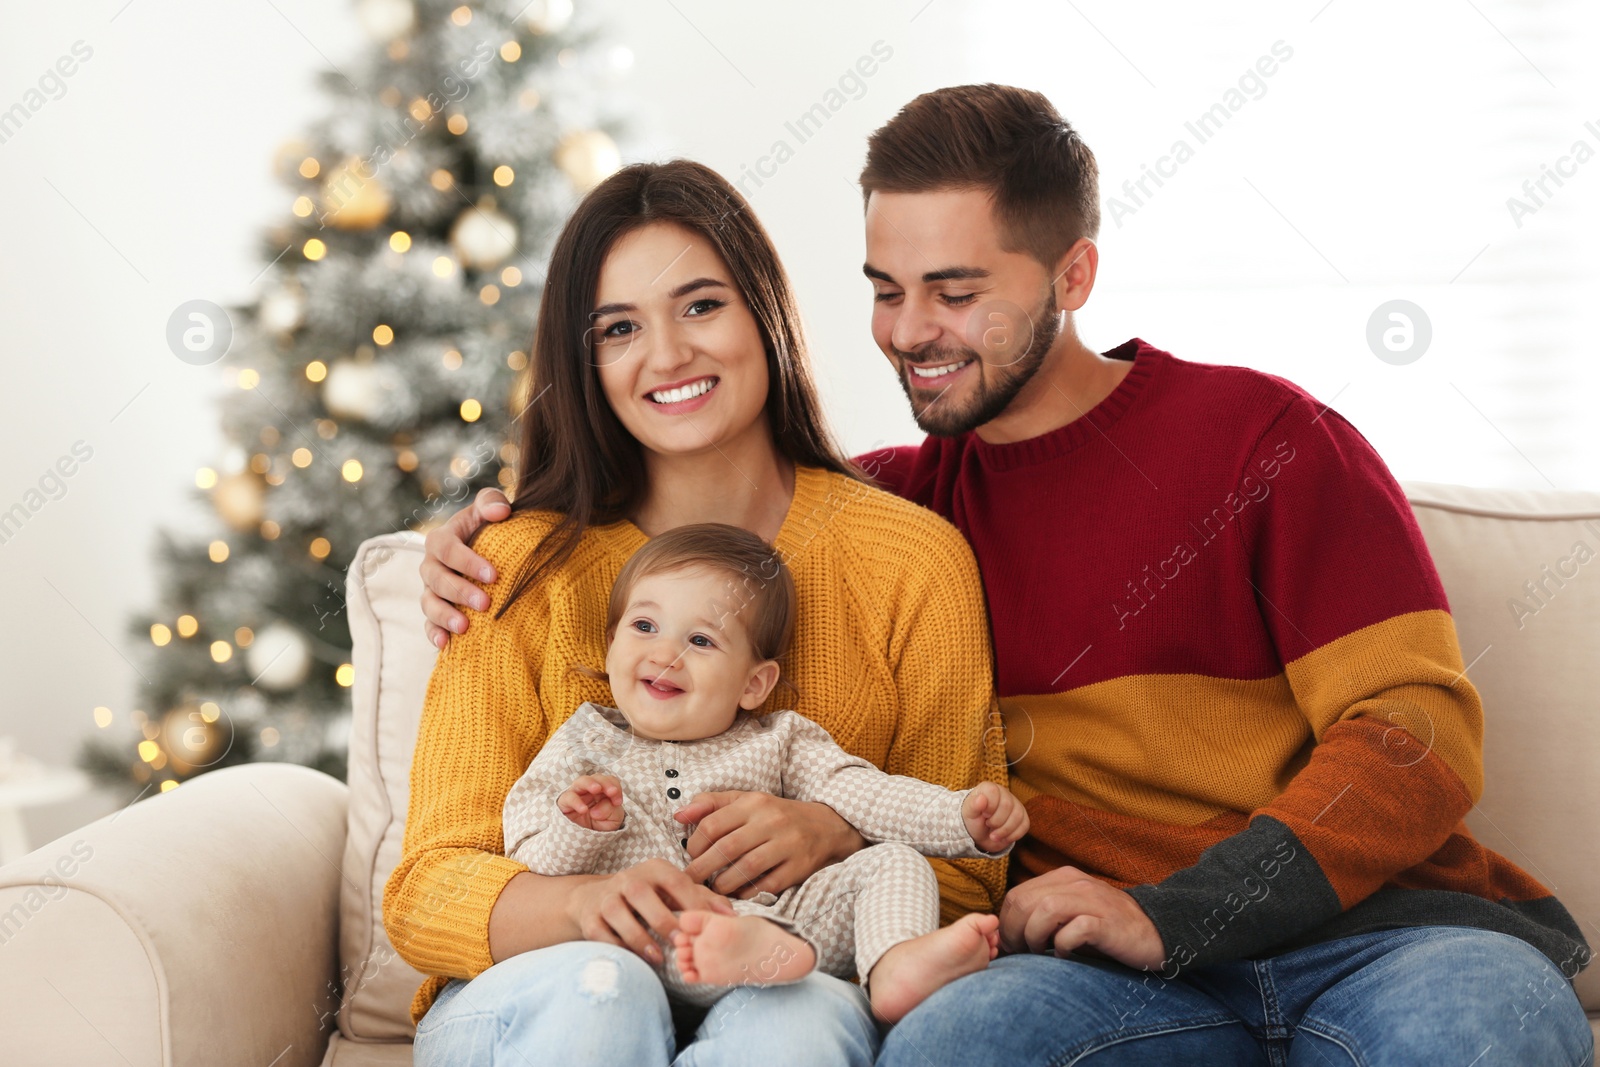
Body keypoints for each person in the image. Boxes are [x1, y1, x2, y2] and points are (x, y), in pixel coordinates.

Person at [423, 85, 1594, 1064]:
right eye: (886, 288)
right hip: (1098, 976)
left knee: (1483, 1029)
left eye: (959, 290)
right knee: (950, 1043)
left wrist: (1173, 910)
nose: (910, 330)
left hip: (1377, 935)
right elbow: (741, 505)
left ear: (1074, 273)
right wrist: (477, 526)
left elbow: (1415, 736)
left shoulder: (1264, 441)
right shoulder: (903, 506)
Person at [382, 158, 1007, 1067]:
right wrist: (579, 907)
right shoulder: (512, 568)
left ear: (764, 312)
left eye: (702, 305)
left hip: (779, 969)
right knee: (609, 984)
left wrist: (833, 829)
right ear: (586, 361)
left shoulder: (912, 561)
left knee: (796, 1023)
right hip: (548, 984)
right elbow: (427, 887)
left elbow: (966, 871)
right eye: (620, 327)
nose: (668, 354)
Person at [503, 522, 1029, 1024]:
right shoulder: (582, 743)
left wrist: (959, 818)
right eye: (644, 627)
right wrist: (578, 828)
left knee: (894, 861)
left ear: (754, 684)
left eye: (702, 641)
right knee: (661, 927)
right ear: (613, 644)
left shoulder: (779, 740)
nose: (665, 653)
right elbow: (526, 854)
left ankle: (894, 966)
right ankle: (754, 951)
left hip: (787, 927)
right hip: (655, 943)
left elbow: (863, 793)